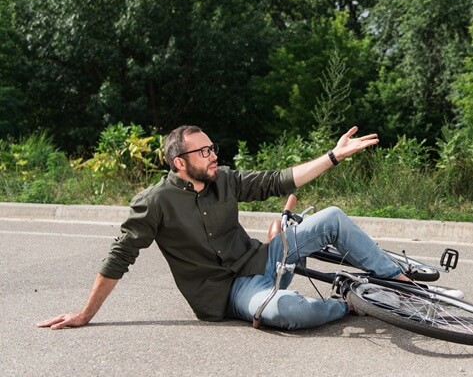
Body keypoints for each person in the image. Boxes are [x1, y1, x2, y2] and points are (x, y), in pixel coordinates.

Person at [37, 125, 414, 331]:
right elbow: (119, 257)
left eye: (212, 147)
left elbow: (278, 180)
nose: (213, 154)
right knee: (288, 311)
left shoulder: (225, 179)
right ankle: (349, 305)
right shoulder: (155, 201)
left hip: (262, 259)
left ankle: (398, 282)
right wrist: (85, 314)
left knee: (330, 216)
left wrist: (332, 156)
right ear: (179, 162)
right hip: (231, 293)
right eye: (203, 151)